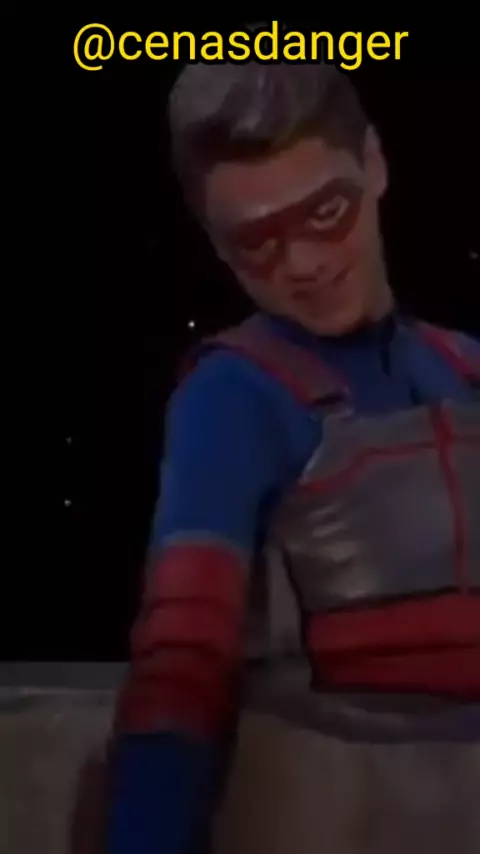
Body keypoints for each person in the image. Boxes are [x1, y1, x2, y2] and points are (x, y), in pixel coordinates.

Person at [104, 61, 480, 853]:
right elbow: (181, 663)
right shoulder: (235, 396)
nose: (303, 264)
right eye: (258, 242)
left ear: (373, 164)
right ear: (219, 245)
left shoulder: (466, 369)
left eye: (325, 212)